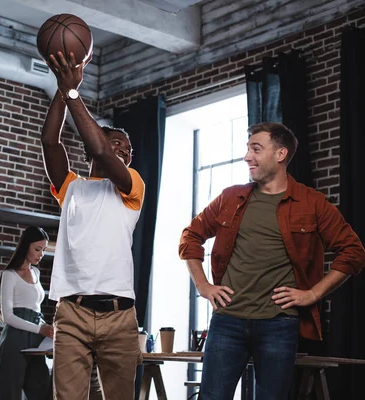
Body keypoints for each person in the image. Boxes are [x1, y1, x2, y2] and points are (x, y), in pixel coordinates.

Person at [179, 122, 365, 399]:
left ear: (280, 154)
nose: (247, 157)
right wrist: (203, 286)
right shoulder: (231, 197)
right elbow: (191, 237)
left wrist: (313, 293)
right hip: (227, 321)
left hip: (279, 324)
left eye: (256, 149)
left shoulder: (311, 202)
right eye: (247, 149)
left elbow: (353, 251)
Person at [41, 50, 145, 400]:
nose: (125, 152)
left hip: (120, 317)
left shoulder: (132, 187)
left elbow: (101, 151)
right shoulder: (72, 188)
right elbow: (50, 142)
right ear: (88, 150)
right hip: (71, 314)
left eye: (129, 150)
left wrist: (73, 93)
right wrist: (62, 88)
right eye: (119, 143)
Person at [0, 226, 54, 400]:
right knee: (10, 394)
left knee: (42, 390)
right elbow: (7, 316)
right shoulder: (9, 275)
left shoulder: (36, 272)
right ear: (25, 246)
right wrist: (40, 330)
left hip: (36, 340)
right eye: (37, 249)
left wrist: (47, 330)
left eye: (43, 250)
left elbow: (36, 308)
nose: (41, 254)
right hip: (15, 339)